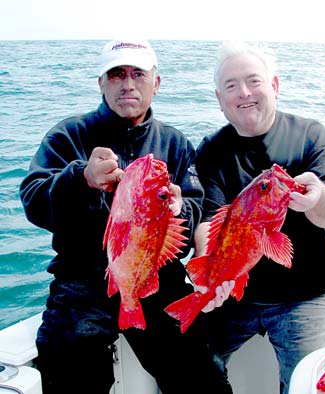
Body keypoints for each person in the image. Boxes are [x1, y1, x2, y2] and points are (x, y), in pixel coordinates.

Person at [19, 38, 232, 394]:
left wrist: (181, 208)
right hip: (82, 280)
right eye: (116, 75)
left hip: (154, 276)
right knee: (68, 362)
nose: (128, 84)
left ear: (156, 83)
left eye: (138, 74)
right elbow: (33, 201)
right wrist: (80, 178)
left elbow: (196, 207)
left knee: (201, 374)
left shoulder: (176, 144)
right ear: (101, 84)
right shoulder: (68, 135)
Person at [193, 40, 325, 394]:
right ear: (220, 99)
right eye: (231, 86)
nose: (244, 93)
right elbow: (209, 221)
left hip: (308, 295)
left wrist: (318, 200)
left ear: (275, 85)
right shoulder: (211, 152)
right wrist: (210, 273)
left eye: (254, 80)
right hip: (237, 295)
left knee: (305, 383)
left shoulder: (311, 136)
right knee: (184, 362)